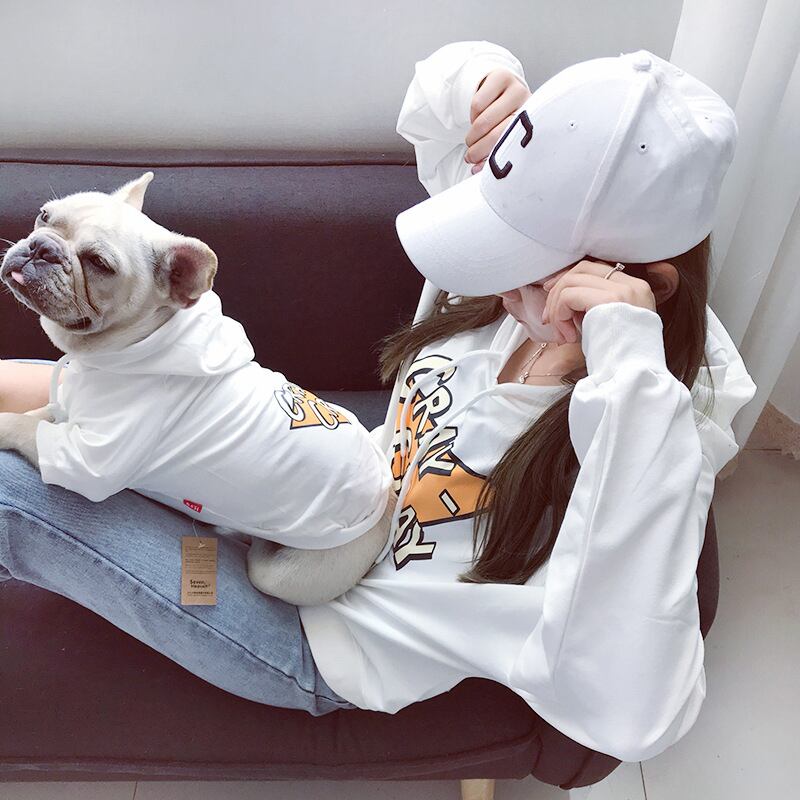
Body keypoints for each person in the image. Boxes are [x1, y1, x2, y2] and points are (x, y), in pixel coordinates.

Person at [0, 41, 757, 762]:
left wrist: (626, 376)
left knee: (12, 488)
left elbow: (638, 714)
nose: (500, 285)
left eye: (529, 273)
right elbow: (435, 98)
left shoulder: (646, 429)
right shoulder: (511, 291)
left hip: (316, 641)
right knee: (80, 387)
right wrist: (483, 83)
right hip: (317, 501)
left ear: (644, 286)